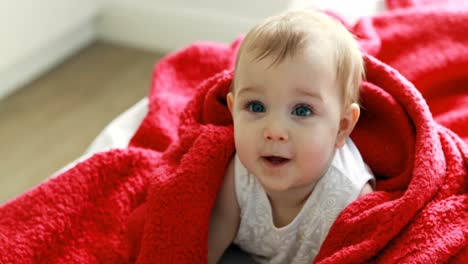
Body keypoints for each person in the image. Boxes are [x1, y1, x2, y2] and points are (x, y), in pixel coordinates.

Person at [208, 9, 374, 264]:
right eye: (255, 107)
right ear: (233, 112)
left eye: (302, 110)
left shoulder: (350, 197)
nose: (274, 131)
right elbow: (206, 240)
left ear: (341, 127)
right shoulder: (238, 175)